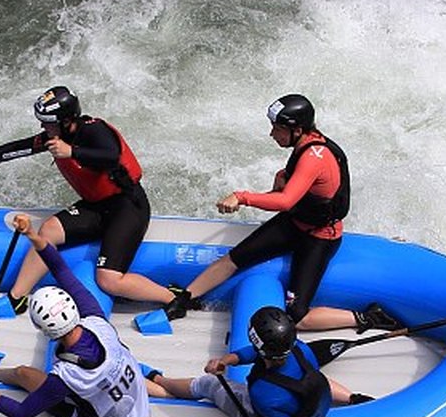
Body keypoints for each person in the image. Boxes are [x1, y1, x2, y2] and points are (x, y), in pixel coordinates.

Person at [163, 93, 397, 333]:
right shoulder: (304, 144)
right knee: (233, 259)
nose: (272, 134)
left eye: (277, 129)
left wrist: (242, 197)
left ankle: (367, 317)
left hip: (319, 237)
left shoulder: (314, 157)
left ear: (296, 130)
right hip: (295, 222)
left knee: (298, 317)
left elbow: (285, 201)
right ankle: (183, 299)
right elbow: (288, 194)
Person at [0, 86, 179, 311]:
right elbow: (19, 148)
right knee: (49, 230)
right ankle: (17, 298)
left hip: (127, 207)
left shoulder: (94, 130)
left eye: (48, 122)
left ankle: (173, 298)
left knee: (108, 280)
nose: (43, 127)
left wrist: (72, 152)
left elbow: (111, 155)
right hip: (97, 207)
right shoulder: (57, 136)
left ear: (65, 120)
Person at [0, 214, 151, 417]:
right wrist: (32, 235)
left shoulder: (67, 376)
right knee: (27, 375)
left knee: (25, 375)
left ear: (42, 329)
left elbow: (21, 413)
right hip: (135, 404)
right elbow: (61, 270)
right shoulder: (97, 320)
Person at [146, 305, 368, 417]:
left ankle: (159, 381)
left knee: (208, 384)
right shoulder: (300, 349)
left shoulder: (264, 394)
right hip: (314, 406)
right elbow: (257, 353)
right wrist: (229, 360)